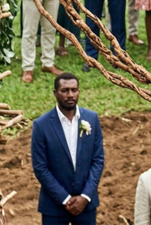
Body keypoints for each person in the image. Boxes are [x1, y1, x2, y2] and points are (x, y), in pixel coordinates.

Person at [31, 73, 105, 225]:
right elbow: (40, 167)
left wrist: (85, 196)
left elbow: (98, 161)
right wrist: (65, 199)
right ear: (55, 93)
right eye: (65, 90)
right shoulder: (41, 125)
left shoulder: (92, 119)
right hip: (54, 206)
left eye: (74, 90)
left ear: (79, 91)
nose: (70, 95)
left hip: (86, 205)